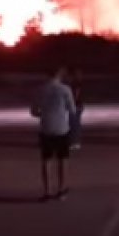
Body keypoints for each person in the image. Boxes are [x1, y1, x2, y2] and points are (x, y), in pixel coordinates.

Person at [30, 68, 76, 200]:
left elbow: (33, 111)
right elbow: (72, 109)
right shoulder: (65, 89)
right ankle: (62, 189)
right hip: (61, 127)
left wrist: (44, 114)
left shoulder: (41, 89)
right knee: (63, 159)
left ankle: (47, 190)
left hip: (46, 127)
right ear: (59, 74)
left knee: (46, 160)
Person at [68, 69, 84, 150]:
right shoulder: (78, 83)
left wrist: (72, 102)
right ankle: (75, 142)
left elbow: (76, 95)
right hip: (78, 105)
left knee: (74, 125)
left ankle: (75, 142)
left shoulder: (75, 84)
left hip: (75, 106)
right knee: (75, 124)